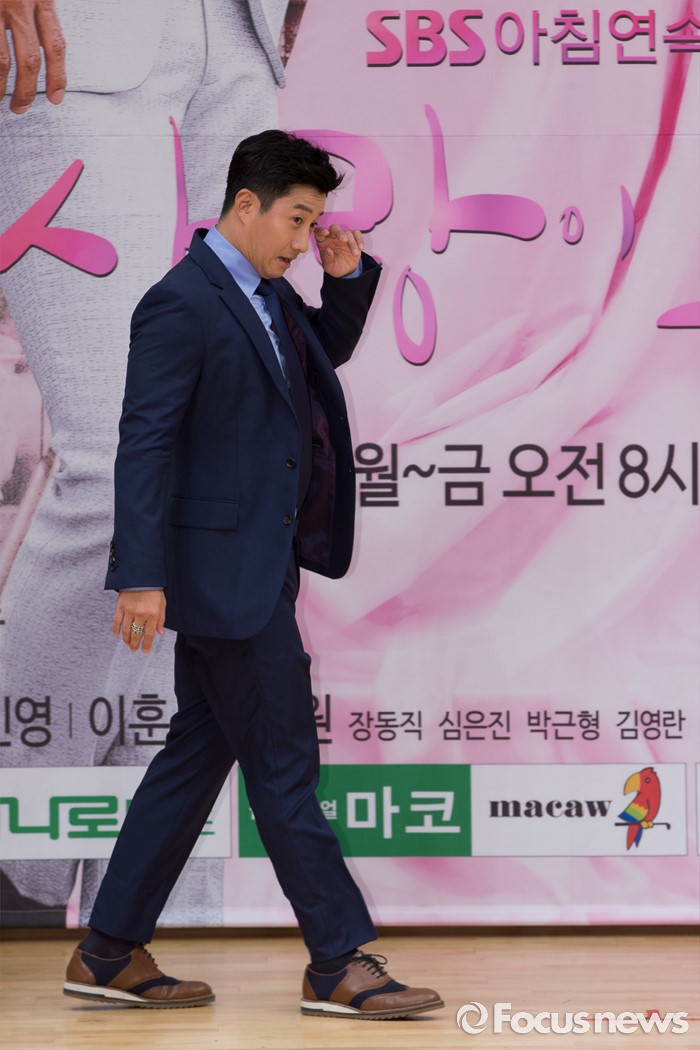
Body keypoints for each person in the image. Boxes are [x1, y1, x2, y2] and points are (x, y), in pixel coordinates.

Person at [62, 130, 444, 1019]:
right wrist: (140, 575)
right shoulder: (180, 303)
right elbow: (145, 442)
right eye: (297, 220)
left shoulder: (268, 296)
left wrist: (345, 280)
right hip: (218, 579)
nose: (305, 238)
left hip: (260, 569)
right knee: (283, 764)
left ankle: (108, 950)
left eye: (314, 222)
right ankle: (337, 961)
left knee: (195, 758)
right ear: (246, 204)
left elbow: (313, 368)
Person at [0, 0, 289, 928]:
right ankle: (15, 850)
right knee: (117, 469)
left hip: (240, 43)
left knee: (208, 484)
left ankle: (150, 911)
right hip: (73, 38)